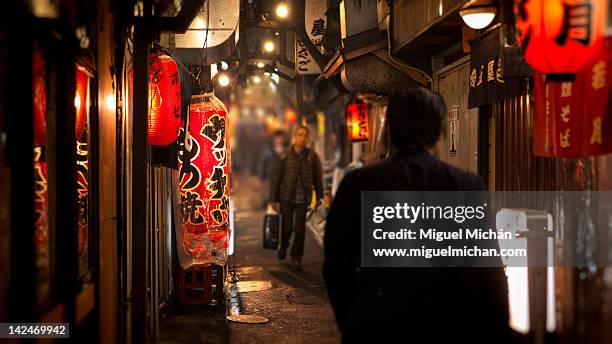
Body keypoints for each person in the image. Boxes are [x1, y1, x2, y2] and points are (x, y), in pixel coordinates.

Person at [322, 88, 513, 343]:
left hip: (378, 323)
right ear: (439, 133)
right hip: (448, 323)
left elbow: (336, 264)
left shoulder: (359, 182)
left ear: (390, 130)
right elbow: (489, 271)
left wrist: (353, 320)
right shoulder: (465, 185)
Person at [269, 125, 324, 271]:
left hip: (302, 198)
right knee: (286, 227)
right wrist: (273, 199)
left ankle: (297, 257)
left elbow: (318, 178)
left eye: (305, 136)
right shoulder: (284, 155)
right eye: (300, 135)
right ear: (295, 137)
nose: (302, 138)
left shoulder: (312, 156)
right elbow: (276, 178)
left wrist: (319, 196)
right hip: (286, 197)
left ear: (308, 138)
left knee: (300, 230)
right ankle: (284, 245)